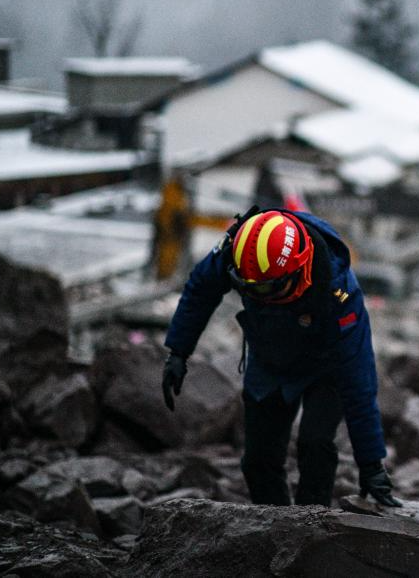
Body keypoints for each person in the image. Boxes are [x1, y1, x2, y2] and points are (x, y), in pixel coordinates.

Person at [161, 206, 400, 507]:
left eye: (264, 287)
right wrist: (178, 352)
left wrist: (371, 464)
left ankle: (311, 527)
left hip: (324, 366)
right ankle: (273, 527)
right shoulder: (240, 251)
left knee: (315, 447)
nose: (258, 296)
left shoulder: (339, 296)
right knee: (258, 461)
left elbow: (358, 380)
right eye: (248, 288)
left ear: (297, 269)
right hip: (269, 355)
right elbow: (201, 287)